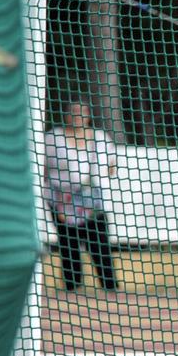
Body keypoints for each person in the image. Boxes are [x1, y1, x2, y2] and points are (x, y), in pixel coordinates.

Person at [43, 100, 119, 292]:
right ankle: (72, 288)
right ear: (67, 114)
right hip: (63, 202)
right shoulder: (53, 138)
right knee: (69, 246)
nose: (77, 116)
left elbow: (112, 164)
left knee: (100, 245)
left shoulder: (100, 137)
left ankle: (110, 288)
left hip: (92, 201)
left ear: (88, 115)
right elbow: (43, 169)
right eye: (73, 111)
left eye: (81, 111)